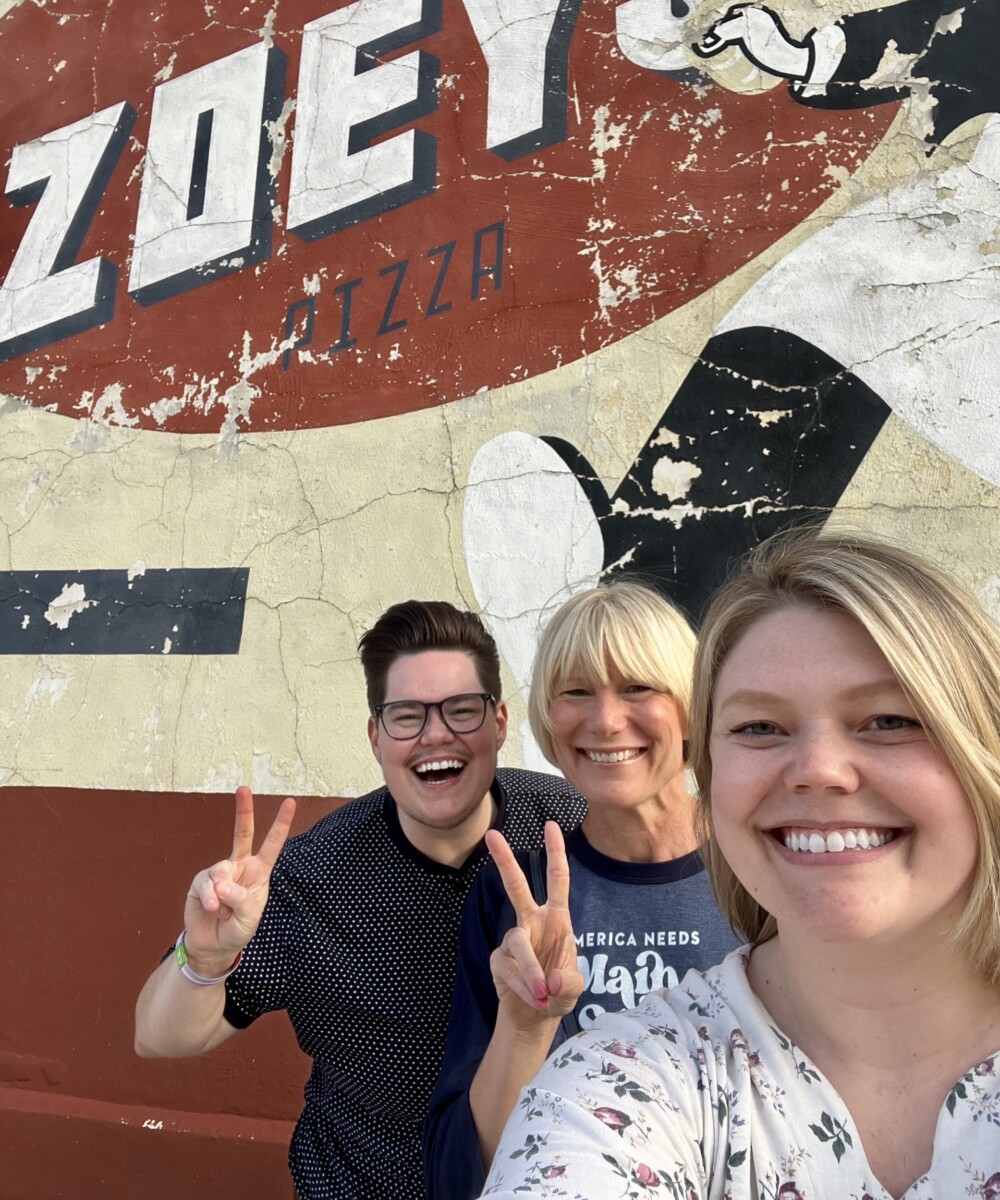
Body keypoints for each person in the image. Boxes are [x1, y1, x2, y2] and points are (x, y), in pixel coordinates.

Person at [481, 531, 1000, 1199]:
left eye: (890, 719)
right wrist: (528, 1024)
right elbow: (496, 1154)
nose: (818, 769)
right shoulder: (619, 1062)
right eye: (760, 727)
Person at [134, 599, 586, 1200]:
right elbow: (158, 1037)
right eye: (406, 716)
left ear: (499, 722)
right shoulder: (310, 878)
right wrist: (206, 958)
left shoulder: (568, 826)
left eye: (461, 710)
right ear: (376, 737)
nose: (436, 734)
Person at [424, 580, 737, 1198]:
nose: (606, 720)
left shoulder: (764, 869)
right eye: (575, 692)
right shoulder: (517, 896)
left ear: (690, 704)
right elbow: (459, 1177)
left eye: (638, 687)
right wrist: (525, 1025)